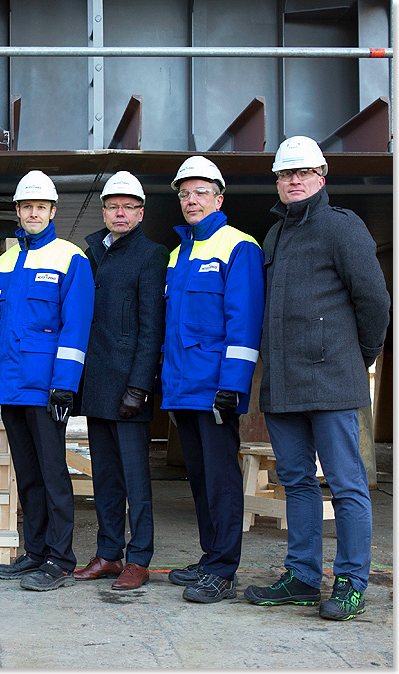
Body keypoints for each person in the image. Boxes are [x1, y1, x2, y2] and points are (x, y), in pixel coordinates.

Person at [243, 137, 390, 620]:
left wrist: (356, 358)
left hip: (333, 385)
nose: (295, 181)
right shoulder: (275, 236)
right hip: (284, 387)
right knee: (298, 483)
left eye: (304, 173)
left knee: (347, 486)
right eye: (287, 175)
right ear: (279, 184)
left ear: (322, 177)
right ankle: (303, 577)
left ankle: (350, 582)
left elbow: (375, 303)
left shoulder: (342, 228)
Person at [0, 170, 95, 592]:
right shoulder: (6, 261)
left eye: (40, 206)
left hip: (46, 387)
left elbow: (75, 327)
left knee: (53, 475)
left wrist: (65, 384)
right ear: (18, 210)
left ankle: (60, 559)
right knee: (27, 474)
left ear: (52, 211)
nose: (33, 212)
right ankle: (35, 552)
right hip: (11, 386)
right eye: (26, 206)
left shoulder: (70, 258)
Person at [162, 156, 265, 603]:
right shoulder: (178, 253)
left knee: (221, 479)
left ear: (219, 198)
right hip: (184, 386)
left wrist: (233, 385)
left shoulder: (239, 246)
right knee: (200, 478)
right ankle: (210, 559)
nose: (191, 200)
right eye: (184, 194)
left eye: (200, 192)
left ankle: (223, 571)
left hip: (216, 387)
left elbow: (243, 321)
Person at [75, 171, 168, 590]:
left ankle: (139, 557)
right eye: (113, 205)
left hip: (129, 384)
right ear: (104, 210)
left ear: (141, 213)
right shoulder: (92, 252)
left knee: (135, 480)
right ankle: (109, 553)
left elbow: (152, 327)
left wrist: (140, 386)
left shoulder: (151, 255)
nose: (120, 213)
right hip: (97, 381)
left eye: (129, 206)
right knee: (106, 478)